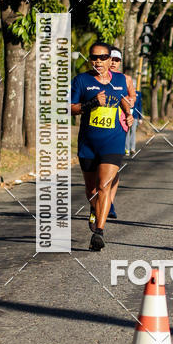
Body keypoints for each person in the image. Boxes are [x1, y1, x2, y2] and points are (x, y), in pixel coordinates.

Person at [71, 42, 133, 250]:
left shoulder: (121, 80)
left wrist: (129, 114)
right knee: (91, 190)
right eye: (94, 57)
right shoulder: (81, 80)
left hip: (113, 141)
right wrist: (91, 104)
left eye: (103, 57)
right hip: (88, 142)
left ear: (109, 60)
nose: (98, 61)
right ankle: (93, 207)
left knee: (103, 185)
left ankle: (99, 232)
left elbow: (123, 100)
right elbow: (69, 108)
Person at [106, 48, 135, 219]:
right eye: (112, 59)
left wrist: (128, 102)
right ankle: (100, 198)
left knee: (113, 167)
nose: (114, 63)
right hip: (98, 128)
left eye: (117, 60)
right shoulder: (97, 78)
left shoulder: (126, 79)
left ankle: (109, 202)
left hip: (120, 125)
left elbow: (132, 96)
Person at [125, 67, 142, 156]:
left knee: (133, 132)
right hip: (126, 115)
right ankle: (126, 149)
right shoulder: (125, 93)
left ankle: (133, 148)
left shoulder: (138, 94)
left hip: (135, 116)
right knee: (127, 132)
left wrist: (140, 118)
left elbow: (139, 106)